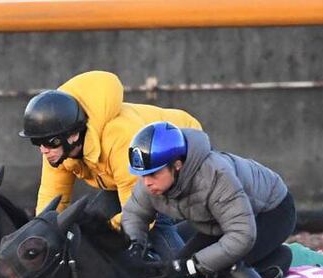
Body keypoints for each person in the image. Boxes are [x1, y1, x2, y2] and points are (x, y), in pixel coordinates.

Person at [121, 121, 296, 278]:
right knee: (174, 270)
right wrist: (135, 244)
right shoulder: (151, 184)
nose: (146, 182)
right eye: (142, 175)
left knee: (228, 265)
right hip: (218, 223)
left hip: (269, 213)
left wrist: (193, 266)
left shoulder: (215, 175)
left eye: (153, 174)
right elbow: (133, 215)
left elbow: (241, 236)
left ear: (177, 165)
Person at [19, 70, 202, 255]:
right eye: (37, 142)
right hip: (126, 182)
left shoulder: (120, 137)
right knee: (90, 228)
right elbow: (51, 199)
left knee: (155, 224)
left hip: (179, 159)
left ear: (73, 135)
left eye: (49, 142)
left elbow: (141, 214)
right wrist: (39, 237)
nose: (43, 150)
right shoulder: (57, 151)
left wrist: (105, 233)